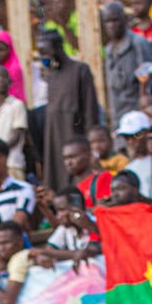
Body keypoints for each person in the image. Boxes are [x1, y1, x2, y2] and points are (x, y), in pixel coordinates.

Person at [38, 29, 99, 193]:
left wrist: (91, 146)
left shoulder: (80, 70)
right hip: (55, 145)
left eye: (45, 51)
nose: (43, 56)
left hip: (75, 140)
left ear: (58, 47)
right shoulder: (51, 76)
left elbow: (90, 112)